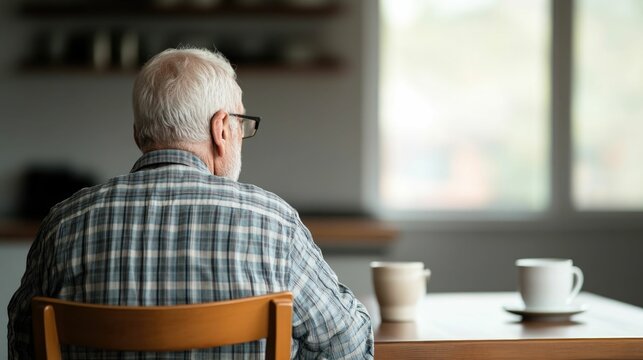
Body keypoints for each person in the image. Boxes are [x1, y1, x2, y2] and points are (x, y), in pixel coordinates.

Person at [7, 48, 374, 359]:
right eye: (240, 125)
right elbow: (351, 345)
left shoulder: (63, 224)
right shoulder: (275, 225)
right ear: (221, 130)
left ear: (138, 136)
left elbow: (22, 345)